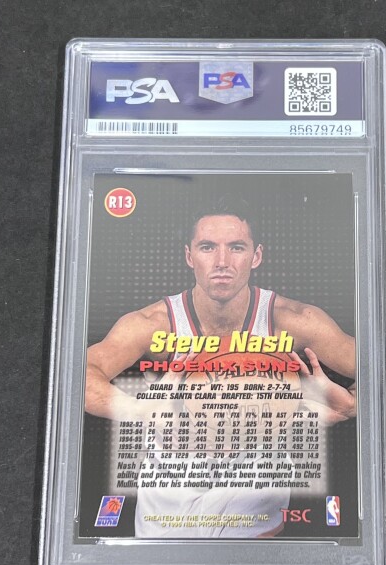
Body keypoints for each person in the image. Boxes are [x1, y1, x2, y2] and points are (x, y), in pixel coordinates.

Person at [85, 211, 356, 537]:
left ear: (256, 256)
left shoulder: (293, 320)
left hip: (254, 470)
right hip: (174, 477)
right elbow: (80, 375)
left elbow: (380, 369)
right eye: (208, 247)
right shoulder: (155, 323)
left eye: (237, 247)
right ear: (189, 256)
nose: (222, 262)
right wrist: (137, 410)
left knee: (249, 558)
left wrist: (352, 404)